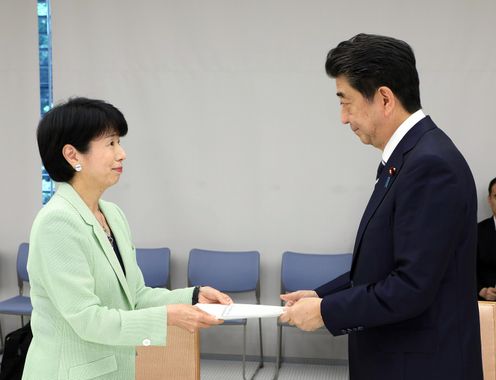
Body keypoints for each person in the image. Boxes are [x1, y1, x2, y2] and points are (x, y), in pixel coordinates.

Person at [280, 34, 483, 380]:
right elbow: (382, 266)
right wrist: (320, 295)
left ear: (385, 98)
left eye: (346, 101)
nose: (344, 118)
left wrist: (326, 312)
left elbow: (410, 287)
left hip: (421, 367)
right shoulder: (410, 158)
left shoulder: (431, 165)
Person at [22, 97, 231, 380]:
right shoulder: (57, 222)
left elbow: (134, 295)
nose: (122, 154)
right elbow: (87, 319)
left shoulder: (112, 215)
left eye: (119, 142)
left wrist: (193, 297)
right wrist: (169, 316)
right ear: (73, 156)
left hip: (113, 369)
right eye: (110, 143)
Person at [477, 177, 496, 300]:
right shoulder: (477, 231)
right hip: (487, 305)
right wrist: (481, 290)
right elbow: (467, 267)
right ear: (489, 199)